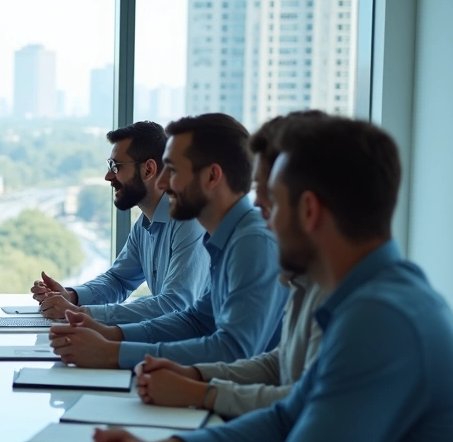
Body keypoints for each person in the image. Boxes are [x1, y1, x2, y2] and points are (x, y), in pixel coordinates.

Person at [82, 116, 453, 442]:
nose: (262, 216)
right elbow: (287, 417)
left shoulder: (383, 319)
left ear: (310, 211)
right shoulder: (366, 300)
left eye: (271, 200)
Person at [49, 113, 287, 369]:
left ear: (212, 176)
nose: (162, 182)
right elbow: (197, 321)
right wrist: (110, 336)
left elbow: (233, 350)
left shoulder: (252, 241)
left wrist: (112, 352)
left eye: (172, 170)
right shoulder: (225, 237)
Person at [134, 112, 327, 416]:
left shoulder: (255, 241)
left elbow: (301, 408)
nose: (259, 204)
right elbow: (279, 362)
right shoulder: (311, 279)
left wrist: (201, 393)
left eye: (269, 193)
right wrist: (194, 379)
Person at [31, 121, 208, 323]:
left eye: (116, 167)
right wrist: (71, 296)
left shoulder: (189, 221)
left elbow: (174, 306)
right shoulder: (145, 224)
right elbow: (118, 281)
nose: (108, 176)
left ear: (148, 169)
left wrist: (80, 313)